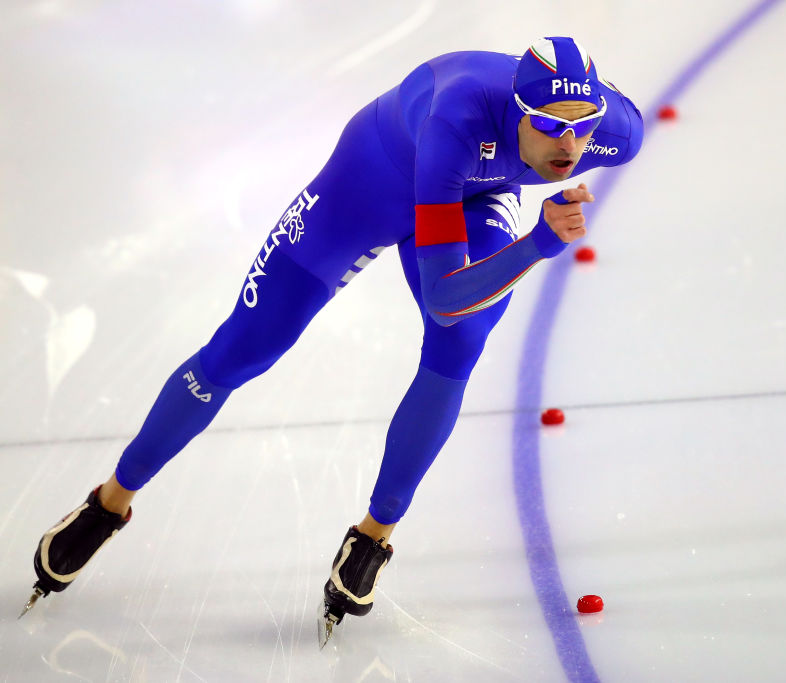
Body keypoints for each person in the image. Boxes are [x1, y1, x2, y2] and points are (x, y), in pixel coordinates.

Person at [24, 36, 644, 639]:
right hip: (372, 181)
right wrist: (537, 242)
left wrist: (526, 231)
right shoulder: (457, 121)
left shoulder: (615, 133)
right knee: (246, 346)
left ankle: (373, 536)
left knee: (460, 346)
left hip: (476, 197)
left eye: (582, 121)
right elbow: (445, 296)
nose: (568, 144)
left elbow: (456, 315)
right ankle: (108, 503)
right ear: (516, 110)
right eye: (547, 123)